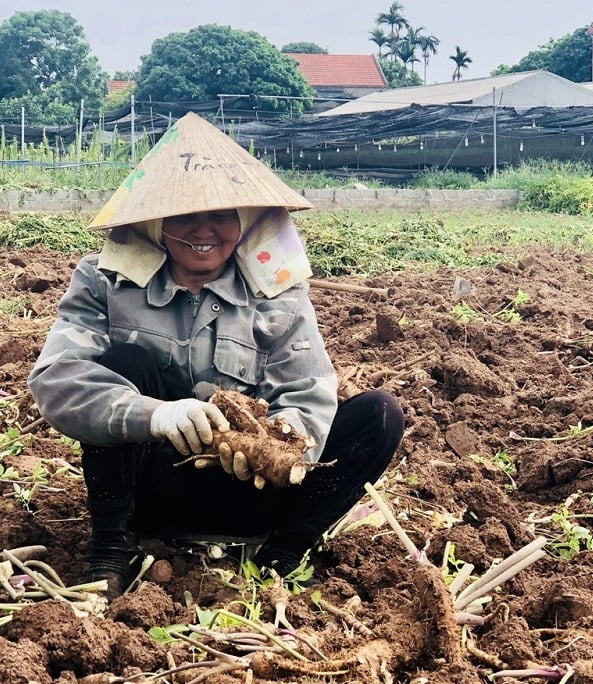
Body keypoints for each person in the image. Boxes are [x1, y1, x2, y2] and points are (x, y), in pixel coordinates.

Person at [28, 113, 404, 599]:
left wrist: (276, 441)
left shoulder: (279, 294)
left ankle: (284, 552)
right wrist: (157, 416)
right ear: (155, 222)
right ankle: (110, 551)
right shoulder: (104, 282)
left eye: (222, 215)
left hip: (253, 491)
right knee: (123, 363)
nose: (204, 229)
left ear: (244, 224)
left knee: (379, 414)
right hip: (150, 489)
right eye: (185, 215)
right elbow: (58, 378)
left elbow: (307, 392)